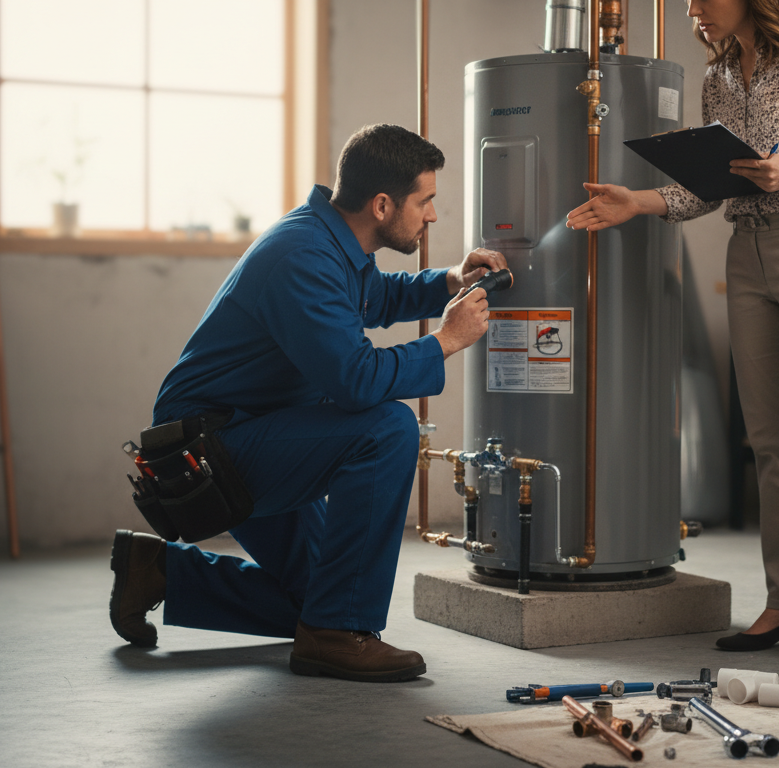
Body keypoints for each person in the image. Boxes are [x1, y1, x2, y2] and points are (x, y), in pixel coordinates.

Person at [108, 124, 508, 682]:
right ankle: (337, 637)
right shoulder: (303, 256)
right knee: (388, 426)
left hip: (260, 432)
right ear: (383, 203)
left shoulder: (333, 240)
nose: (433, 216)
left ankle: (162, 574)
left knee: (320, 596)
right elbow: (356, 381)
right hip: (210, 454)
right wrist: (446, 339)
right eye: (427, 201)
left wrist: (448, 280)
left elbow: (376, 297)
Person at [567, 0, 779, 673]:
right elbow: (707, 190)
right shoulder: (719, 78)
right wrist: (639, 202)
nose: (693, 10)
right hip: (750, 252)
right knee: (769, 439)